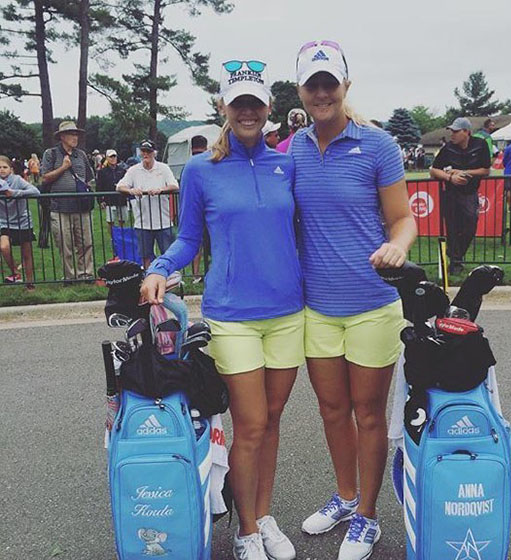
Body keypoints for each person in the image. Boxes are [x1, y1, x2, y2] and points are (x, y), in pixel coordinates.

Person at [141, 58, 304, 560]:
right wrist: (160, 267)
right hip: (232, 315)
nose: (247, 112)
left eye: (255, 103)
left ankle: (264, 515)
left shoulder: (286, 165)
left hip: (287, 313)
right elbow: (188, 237)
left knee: (271, 421)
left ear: (269, 107)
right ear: (223, 108)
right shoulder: (200, 170)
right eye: (238, 104)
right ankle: (245, 529)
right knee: (250, 424)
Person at [290, 40, 417, 560]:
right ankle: (345, 497)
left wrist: (398, 246)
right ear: (300, 91)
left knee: (368, 414)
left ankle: (367, 515)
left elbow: (403, 218)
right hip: (317, 308)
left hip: (372, 304)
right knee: (331, 410)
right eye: (312, 85)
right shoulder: (293, 149)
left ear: (345, 85)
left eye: (329, 83)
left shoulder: (378, 145)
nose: (321, 93)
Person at [430, 117, 491, 275]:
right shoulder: (448, 148)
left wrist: (463, 173)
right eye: (451, 131)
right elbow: (433, 170)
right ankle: (455, 262)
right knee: (452, 228)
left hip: (470, 193)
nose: (452, 134)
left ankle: (455, 254)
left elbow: (486, 170)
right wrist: (450, 177)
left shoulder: (480, 145)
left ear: (466, 132)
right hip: (450, 193)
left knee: (470, 225)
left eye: (456, 131)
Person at [40, 120, 96, 284]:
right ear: (62, 137)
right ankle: (69, 276)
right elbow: (45, 177)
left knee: (86, 242)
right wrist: (63, 167)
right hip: (60, 207)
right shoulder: (51, 154)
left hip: (81, 206)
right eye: (71, 134)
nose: (75, 137)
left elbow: (89, 177)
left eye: (76, 134)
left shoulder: (81, 155)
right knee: (65, 244)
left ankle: (86, 274)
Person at [116, 139, 179, 270]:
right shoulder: (134, 170)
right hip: (142, 222)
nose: (145, 154)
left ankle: (170, 276)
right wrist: (131, 190)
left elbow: (174, 185)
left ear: (154, 153)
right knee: (145, 255)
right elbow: (120, 186)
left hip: (163, 221)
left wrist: (161, 189)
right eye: (143, 151)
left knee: (168, 254)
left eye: (148, 152)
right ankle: (148, 276)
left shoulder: (163, 168)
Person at [0, 155, 40, 289]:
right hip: (4, 221)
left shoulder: (17, 180)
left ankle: (29, 282)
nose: (2, 170)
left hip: (22, 220)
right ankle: (15, 272)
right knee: (4, 247)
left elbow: (35, 192)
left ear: (10, 169)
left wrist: (14, 193)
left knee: (26, 253)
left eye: (5, 167)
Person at [97, 149, 128, 248]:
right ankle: (113, 238)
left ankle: (121, 237)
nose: (113, 158)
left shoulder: (122, 170)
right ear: (107, 158)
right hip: (109, 200)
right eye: (111, 157)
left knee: (122, 220)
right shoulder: (102, 172)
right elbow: (99, 187)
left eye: (114, 156)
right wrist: (100, 200)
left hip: (121, 199)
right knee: (110, 221)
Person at [189, 135, 209, 283]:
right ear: (206, 147)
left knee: (196, 244)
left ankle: (195, 275)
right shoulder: (209, 164)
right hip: (209, 211)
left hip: (194, 211)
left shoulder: (189, 165)